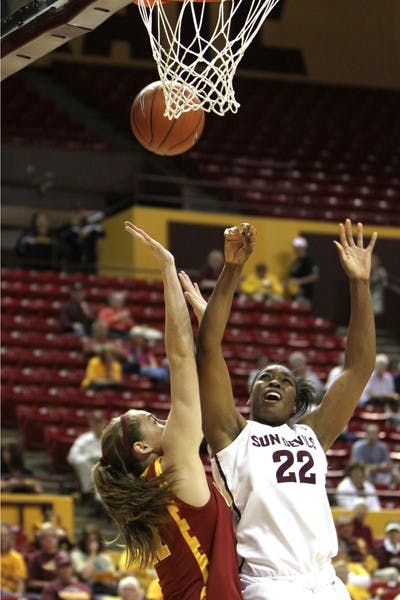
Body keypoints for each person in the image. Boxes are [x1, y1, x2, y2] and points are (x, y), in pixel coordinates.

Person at [190, 218, 377, 599]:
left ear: (296, 401)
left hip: (326, 581)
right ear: (250, 396)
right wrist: (233, 269)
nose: (274, 381)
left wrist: (359, 284)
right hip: (269, 583)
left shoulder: (313, 433)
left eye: (285, 380)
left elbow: (358, 368)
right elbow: (208, 350)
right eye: (264, 378)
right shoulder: (232, 433)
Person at [92, 222, 242, 600]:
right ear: (142, 448)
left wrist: (211, 335)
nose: (166, 420)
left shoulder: (150, 494)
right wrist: (167, 268)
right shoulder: (170, 467)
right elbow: (179, 358)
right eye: (155, 421)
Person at [67, 410, 106, 508]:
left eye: (99, 421)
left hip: (106, 471)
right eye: (95, 421)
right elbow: (71, 457)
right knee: (80, 461)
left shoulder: (110, 439)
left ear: (104, 422)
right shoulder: (83, 439)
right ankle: (91, 493)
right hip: (88, 472)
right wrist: (89, 457)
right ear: (90, 423)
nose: (97, 424)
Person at [70, 527, 117, 596]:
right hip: (85, 589)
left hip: (103, 589)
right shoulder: (76, 556)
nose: (93, 544)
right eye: (89, 541)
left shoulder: (105, 558)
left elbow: (111, 578)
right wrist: (93, 553)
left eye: (95, 541)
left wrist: (107, 580)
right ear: (83, 541)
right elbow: (85, 576)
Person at [285, 235, 319, 309]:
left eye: (296, 247)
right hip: (295, 295)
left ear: (302, 248)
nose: (295, 249)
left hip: (305, 295)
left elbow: (314, 276)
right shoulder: (296, 261)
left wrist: (299, 281)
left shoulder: (309, 261)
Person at [26, 524, 61, 595]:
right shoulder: (34, 558)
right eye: (46, 537)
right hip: (40, 594)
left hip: (62, 592)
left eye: (53, 536)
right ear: (40, 541)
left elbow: (73, 578)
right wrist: (51, 586)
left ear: (57, 540)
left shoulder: (64, 556)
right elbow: (30, 583)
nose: (49, 539)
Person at [0, 522, 27, 598]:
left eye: (5, 536)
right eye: (0, 535)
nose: (2, 539)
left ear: (11, 538)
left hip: (10, 594)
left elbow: (20, 582)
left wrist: (18, 595)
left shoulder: (17, 558)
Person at [369, 254, 388, 318]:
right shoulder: (368, 271)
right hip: (369, 295)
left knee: (376, 313)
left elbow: (385, 284)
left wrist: (378, 275)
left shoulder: (381, 271)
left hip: (377, 296)